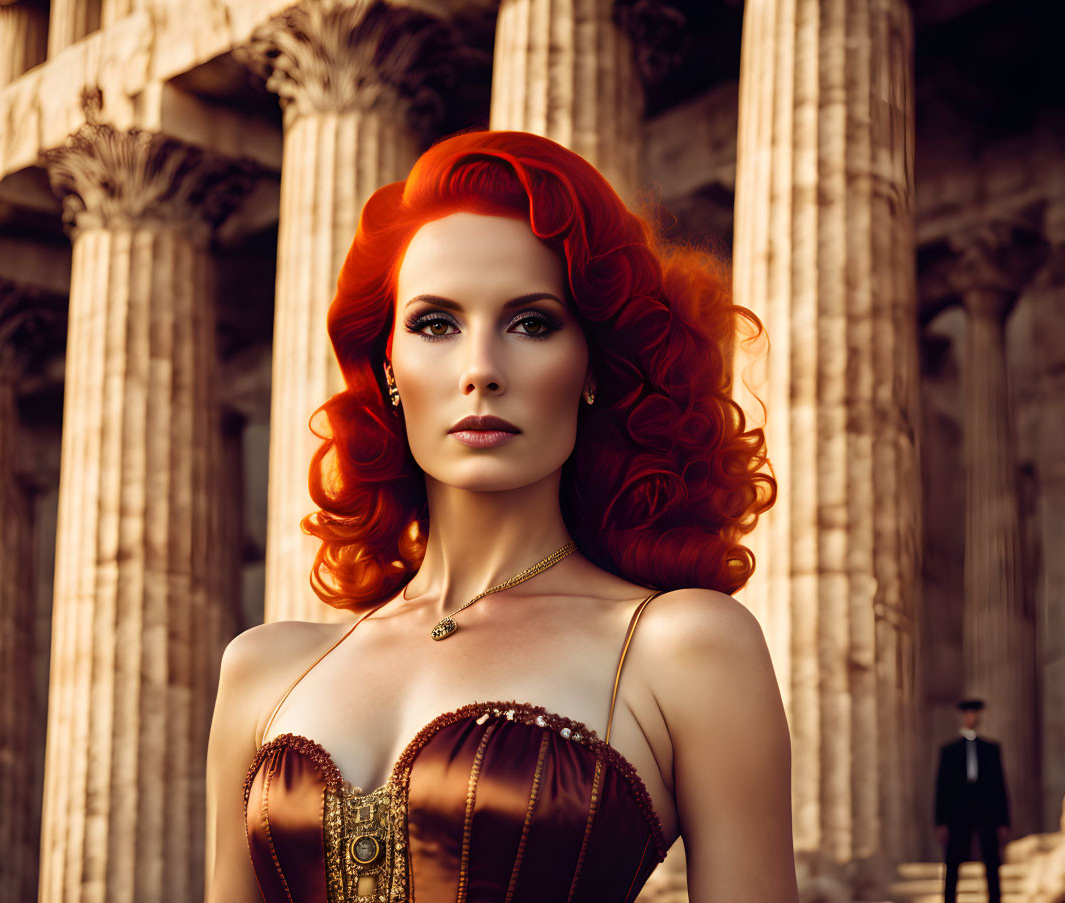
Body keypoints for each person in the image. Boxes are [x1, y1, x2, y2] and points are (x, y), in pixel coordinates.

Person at [204, 129, 795, 902]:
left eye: (531, 323)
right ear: (387, 367)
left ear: (592, 365)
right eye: (435, 324)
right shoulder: (264, 668)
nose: (480, 370)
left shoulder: (680, 645)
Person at [934, 698, 1011, 903]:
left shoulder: (991, 749)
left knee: (992, 860)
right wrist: (940, 821)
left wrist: (1003, 821)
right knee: (953, 860)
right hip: (958, 811)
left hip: (985, 810)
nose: (970, 717)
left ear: (978, 717)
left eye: (974, 713)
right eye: (967, 713)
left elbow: (1000, 787)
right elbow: (941, 788)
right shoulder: (949, 751)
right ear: (962, 717)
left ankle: (995, 900)